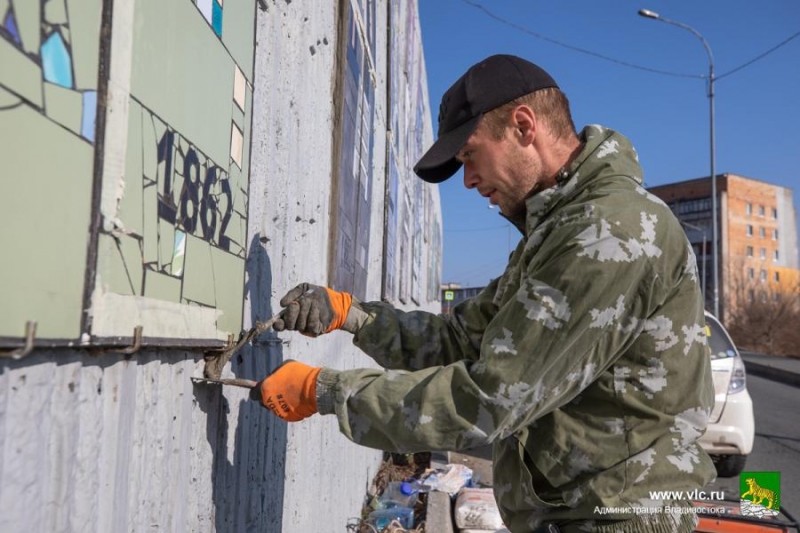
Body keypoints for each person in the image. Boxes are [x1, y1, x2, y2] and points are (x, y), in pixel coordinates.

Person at [258, 54, 717, 532]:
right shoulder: (557, 232)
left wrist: (326, 392)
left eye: (470, 156)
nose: (469, 180)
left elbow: (493, 396)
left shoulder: (608, 234)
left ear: (523, 126)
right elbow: (462, 339)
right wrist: (352, 316)